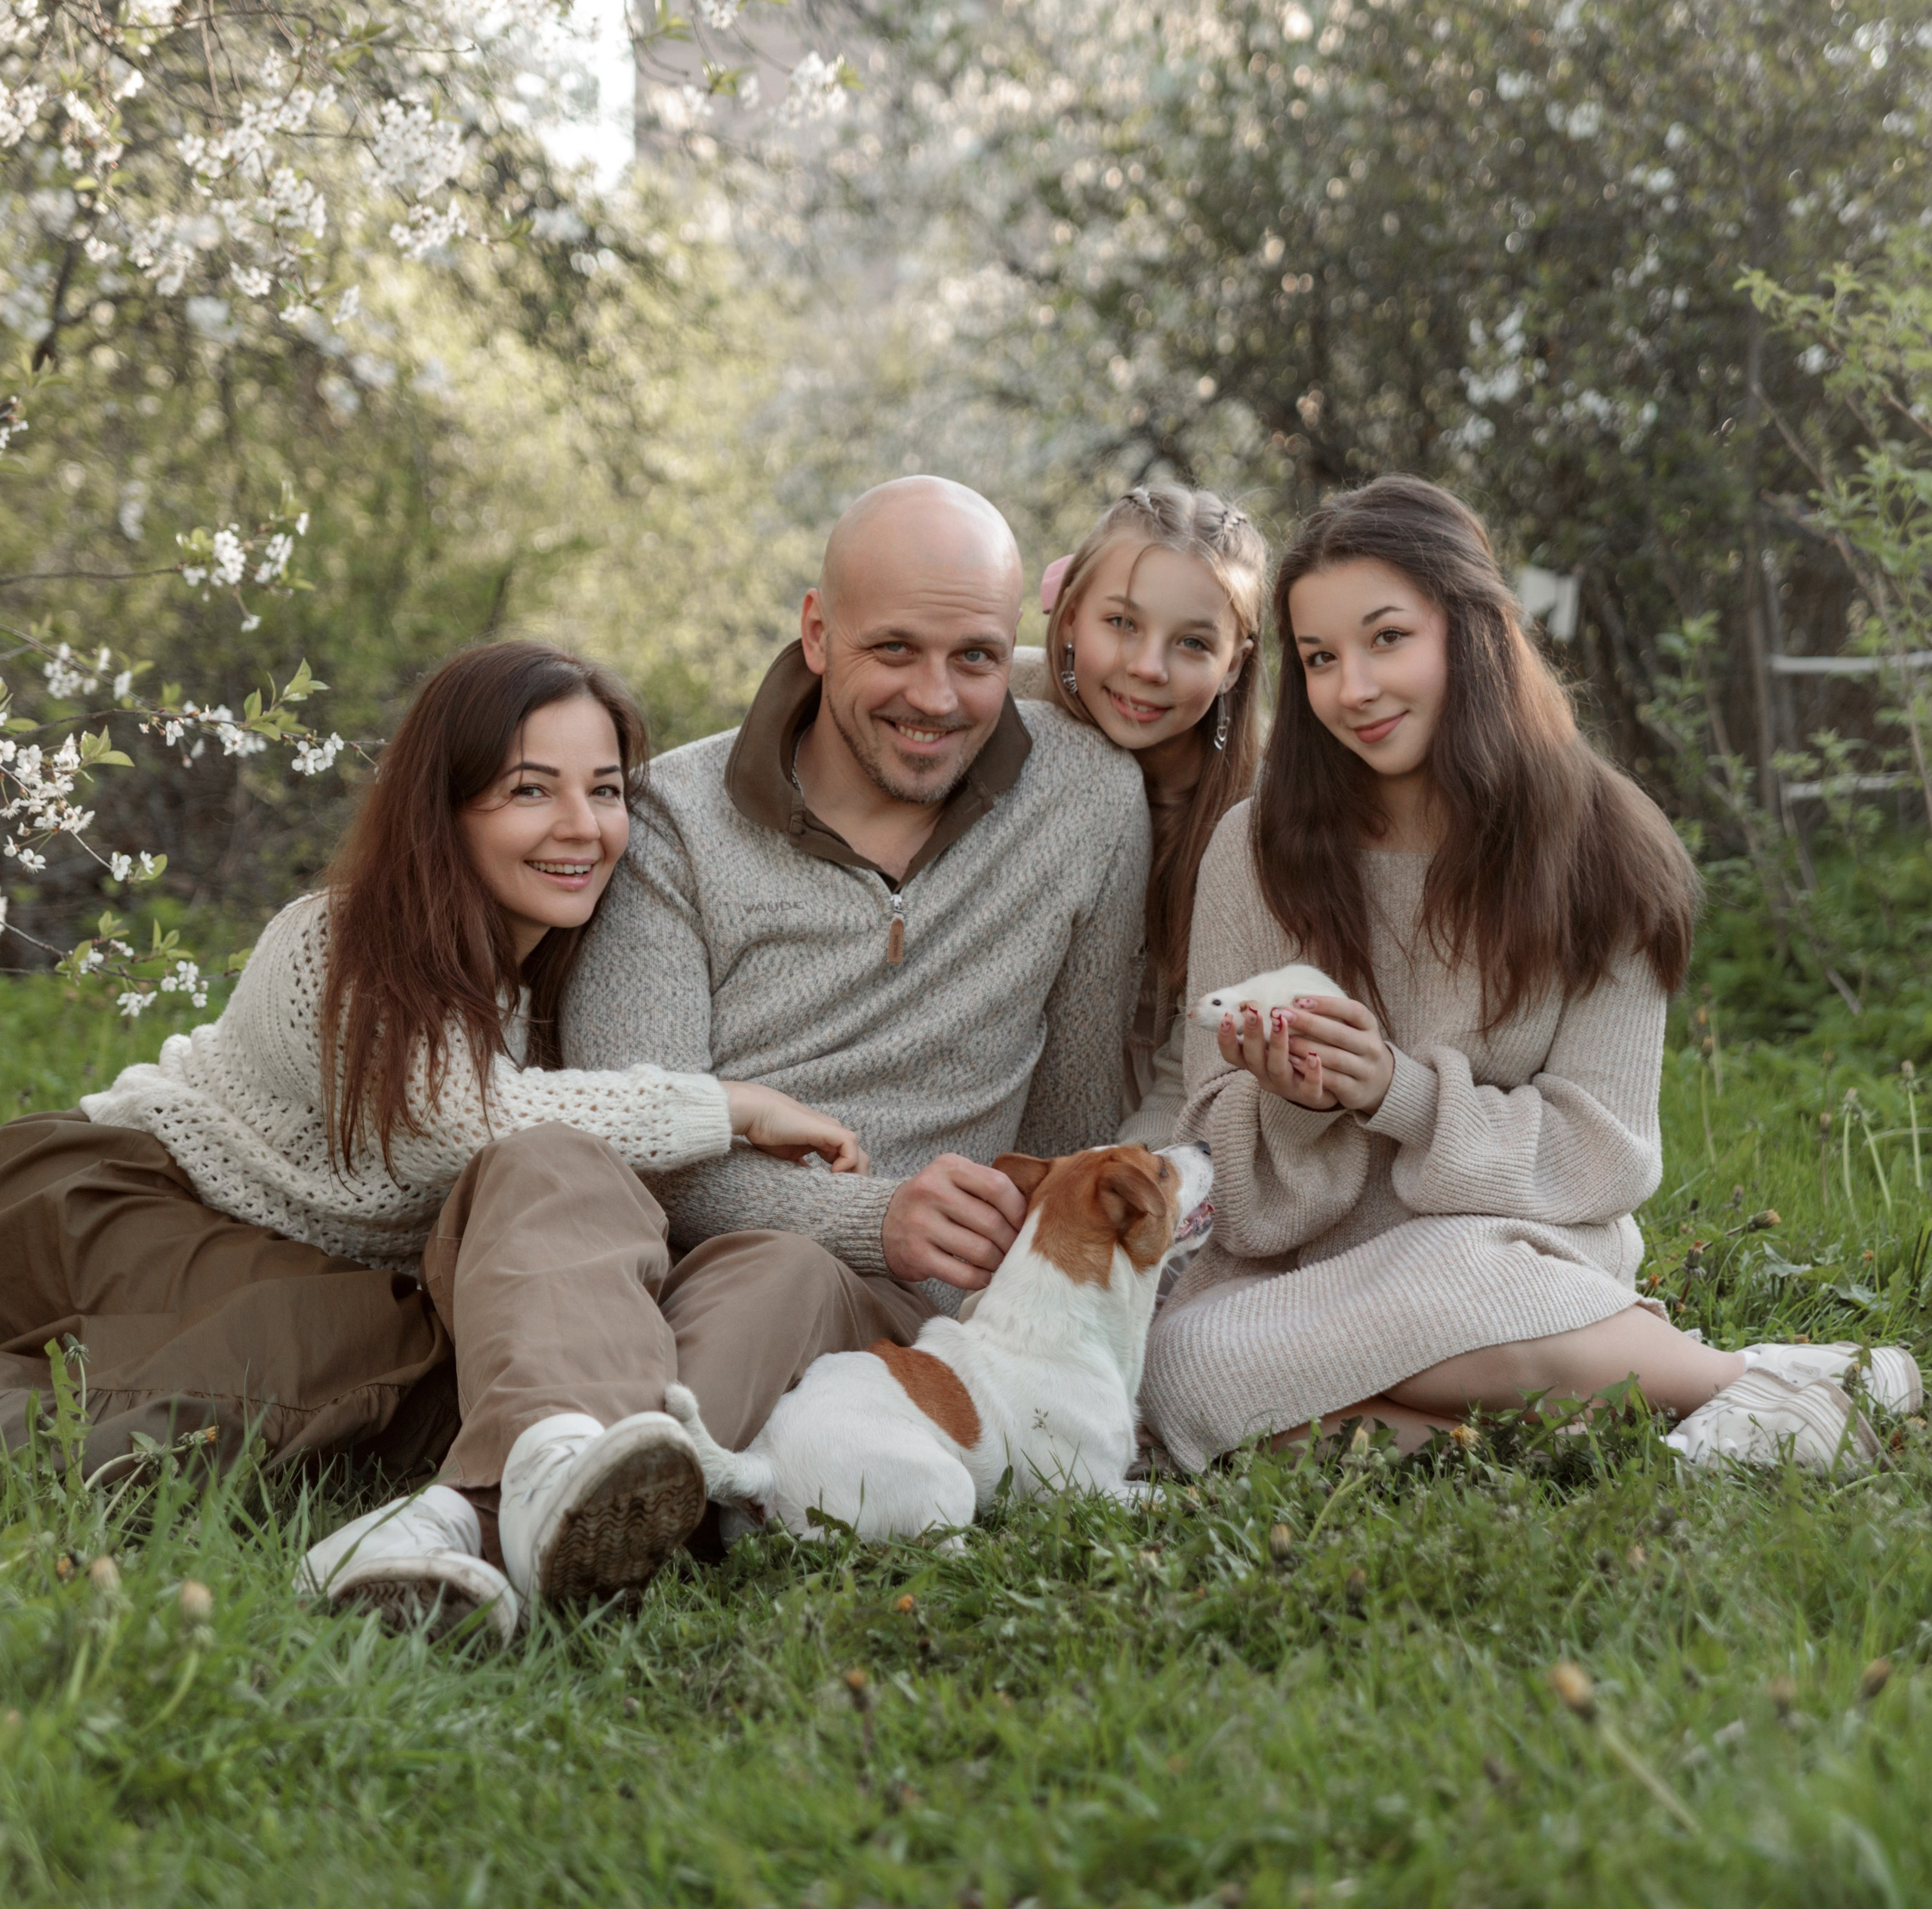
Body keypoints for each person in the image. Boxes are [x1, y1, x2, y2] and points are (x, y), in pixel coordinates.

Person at [0, 640, 912, 1638]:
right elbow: (452, 1128)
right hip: (155, 1210)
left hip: (395, 1295)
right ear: (446, 808)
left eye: (605, 791)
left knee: (785, 1272)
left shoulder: (567, 975)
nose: (581, 827)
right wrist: (730, 1106)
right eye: (531, 790)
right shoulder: (336, 942)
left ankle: (492, 1515)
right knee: (209, 1404)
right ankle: (516, 1501)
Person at [1141, 476, 1923, 1473]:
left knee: (1458, 1281)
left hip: (1509, 1260)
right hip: (1305, 1283)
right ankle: (1658, 1420)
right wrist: (1296, 1103)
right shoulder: (1253, 850)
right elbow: (1226, 1194)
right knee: (1187, 1366)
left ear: (1470, 631)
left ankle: (1737, 1384)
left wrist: (1399, 1095)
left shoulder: (1603, 848)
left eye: (1389, 639)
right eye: (1322, 658)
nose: (1356, 689)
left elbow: (1601, 1154)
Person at [563, 476, 1151, 1309]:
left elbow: (1071, 1119)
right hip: (707, 1278)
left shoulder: (1089, 796)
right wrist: (872, 1219)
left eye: (975, 656)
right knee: (781, 1279)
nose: (935, 699)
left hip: (944, 1310)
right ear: (816, 631)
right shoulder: (667, 820)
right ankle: (639, 1433)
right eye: (893, 650)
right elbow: (630, 1142)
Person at [1011, 482, 1267, 1148]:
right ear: (1069, 618)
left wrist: (1106, 1179)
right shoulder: (999, 705)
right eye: (1121, 623)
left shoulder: (1256, 814)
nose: (1148, 667)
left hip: (1154, 1134)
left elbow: (1191, 1068)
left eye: (1192, 644)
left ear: (1234, 665)